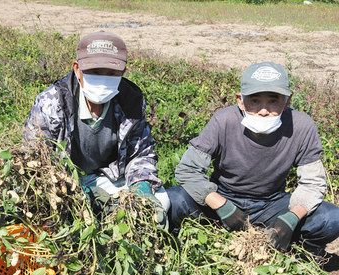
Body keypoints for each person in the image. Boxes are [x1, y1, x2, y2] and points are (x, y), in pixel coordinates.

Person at [167, 61, 339, 258]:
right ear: (240, 100)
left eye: (273, 101)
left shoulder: (302, 126)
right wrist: (221, 205)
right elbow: (188, 170)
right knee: (175, 200)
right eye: (254, 101)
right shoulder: (224, 121)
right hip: (223, 196)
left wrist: (292, 217)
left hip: (271, 203)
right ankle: (184, 250)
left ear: (287, 101)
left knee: (331, 218)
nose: (263, 110)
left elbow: (313, 183)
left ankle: (296, 254)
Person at [23, 31, 168, 223]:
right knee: (65, 217)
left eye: (111, 74)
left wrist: (141, 187)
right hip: (67, 181)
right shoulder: (52, 103)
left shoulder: (131, 100)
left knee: (160, 204)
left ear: (122, 73)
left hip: (110, 177)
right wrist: (70, 187)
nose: (103, 79)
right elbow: (35, 159)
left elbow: (140, 153)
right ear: (77, 69)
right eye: (95, 72)